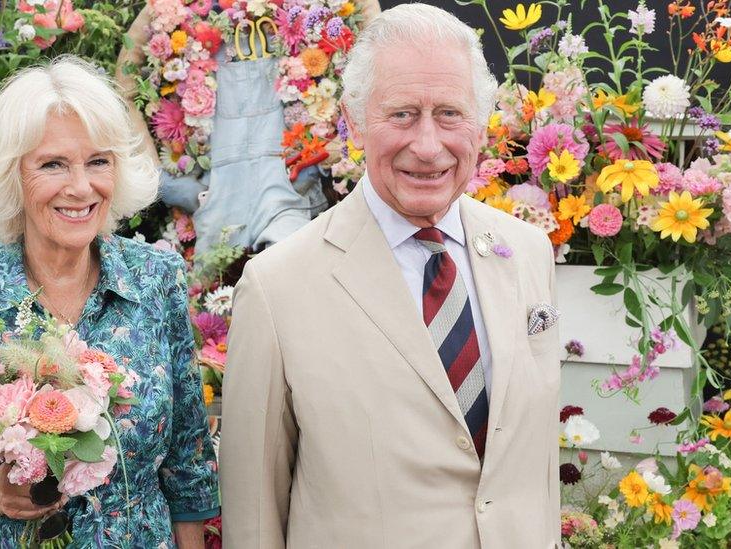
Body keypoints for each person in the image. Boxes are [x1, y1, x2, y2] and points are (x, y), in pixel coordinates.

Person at [220, 4, 560, 547]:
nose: (428, 146)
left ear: (481, 122)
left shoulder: (527, 252)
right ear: (354, 122)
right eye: (402, 114)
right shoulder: (276, 287)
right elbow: (253, 514)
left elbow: (529, 468)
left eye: (450, 113)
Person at [0, 56, 220, 548]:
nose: (81, 188)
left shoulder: (156, 279)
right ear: (12, 174)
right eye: (53, 164)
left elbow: (187, 461)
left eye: (98, 161)